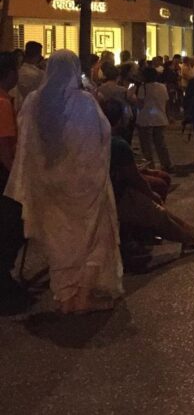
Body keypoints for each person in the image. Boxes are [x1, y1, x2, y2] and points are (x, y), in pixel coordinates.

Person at [5, 50, 122, 314]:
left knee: (60, 242)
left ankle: (65, 296)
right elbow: (101, 139)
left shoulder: (34, 101)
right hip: (83, 186)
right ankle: (81, 296)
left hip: (49, 187)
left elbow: (26, 145)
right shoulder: (84, 103)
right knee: (95, 238)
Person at [101, 100, 194, 259]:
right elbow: (135, 178)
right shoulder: (117, 143)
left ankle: (192, 231)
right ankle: (190, 240)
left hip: (113, 189)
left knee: (159, 204)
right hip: (118, 194)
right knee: (157, 210)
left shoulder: (101, 137)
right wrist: (150, 194)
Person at [0, 53, 27, 311]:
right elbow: (5, 148)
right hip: (3, 177)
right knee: (12, 227)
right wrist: (16, 177)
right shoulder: (3, 103)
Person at [130, 67, 174, 171]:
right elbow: (166, 102)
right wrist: (168, 116)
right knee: (160, 143)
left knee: (146, 145)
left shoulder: (143, 88)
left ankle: (150, 166)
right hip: (160, 118)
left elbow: (140, 104)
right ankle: (166, 163)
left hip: (146, 119)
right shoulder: (162, 87)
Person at [14, 41, 43, 111]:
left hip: (17, 108)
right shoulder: (39, 75)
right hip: (34, 110)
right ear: (38, 55)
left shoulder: (16, 72)